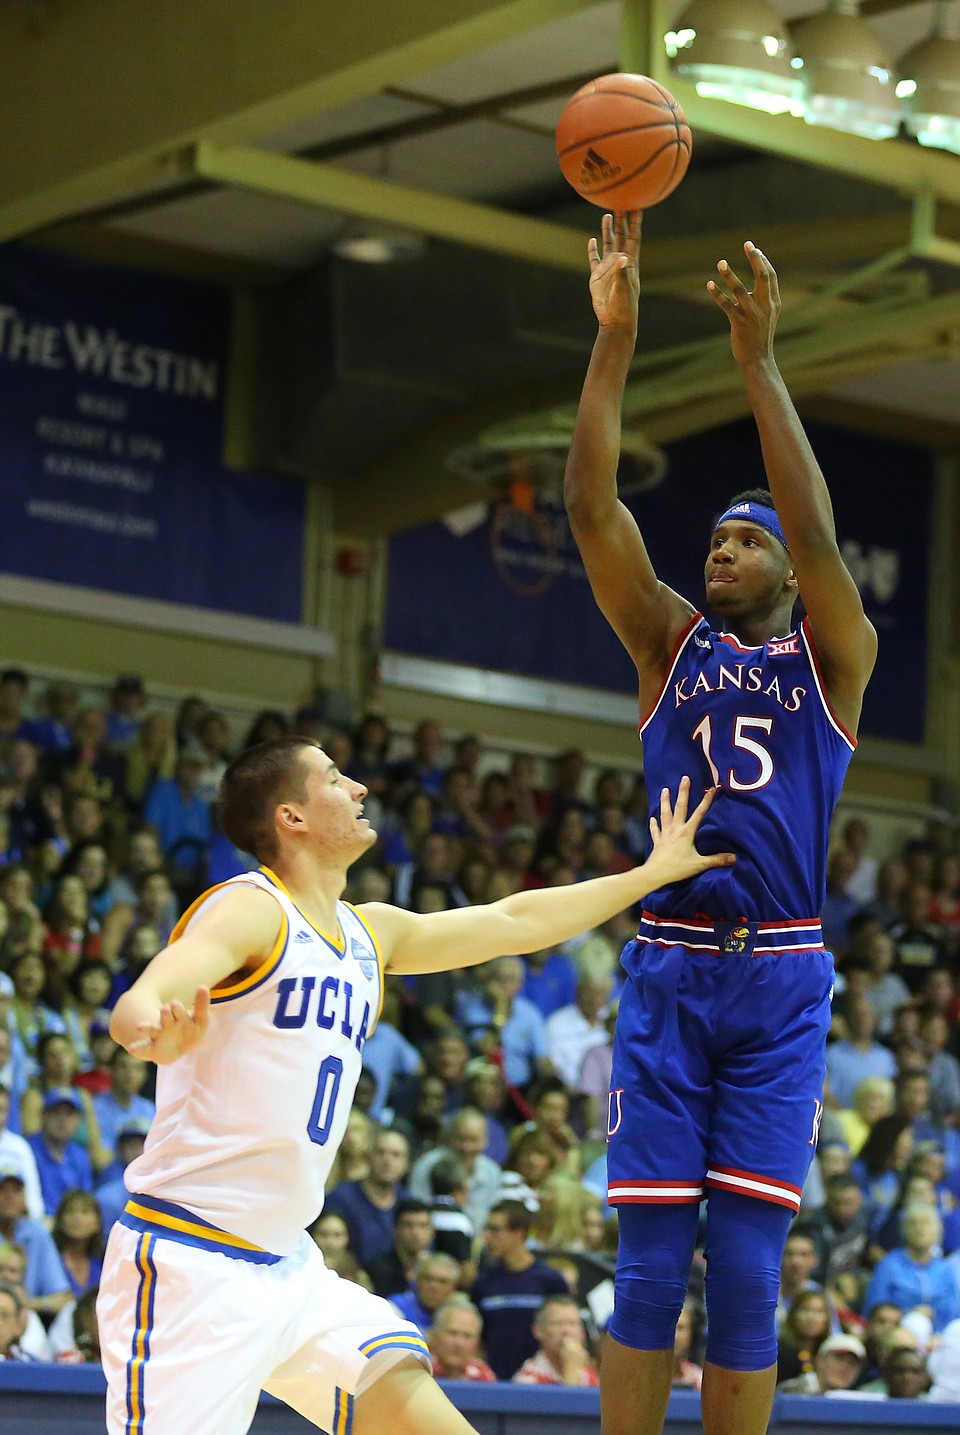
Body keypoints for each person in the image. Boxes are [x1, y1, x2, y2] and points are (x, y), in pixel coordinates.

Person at [99, 736, 729, 1435]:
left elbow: (512, 922)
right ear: (291, 816)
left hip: (291, 1268)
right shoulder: (254, 908)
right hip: (192, 1262)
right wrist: (151, 1031)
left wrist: (648, 875)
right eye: (335, 778)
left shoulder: (370, 932)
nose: (359, 788)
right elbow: (145, 994)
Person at [563, 211, 877, 1435]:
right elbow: (592, 509)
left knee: (746, 1278)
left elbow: (816, 529)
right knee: (646, 1275)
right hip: (673, 967)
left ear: (789, 572)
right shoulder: (668, 642)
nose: (726, 553)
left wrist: (758, 363)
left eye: (748, 542)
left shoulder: (833, 660)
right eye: (717, 541)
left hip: (783, 976)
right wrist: (615, 341)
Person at [512, 1292, 600, 1386]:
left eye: (572, 1323)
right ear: (538, 1331)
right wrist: (572, 1372)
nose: (566, 1331)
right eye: (558, 1323)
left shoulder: (590, 1374)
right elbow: (569, 1401)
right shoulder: (527, 1379)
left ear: (582, 1332)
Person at [428, 1295, 496, 1382]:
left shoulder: (482, 1374)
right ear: (434, 1336)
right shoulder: (418, 1369)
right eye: (452, 1333)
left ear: (477, 1343)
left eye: (467, 1336)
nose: (459, 1343)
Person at [777, 1331, 866, 1394]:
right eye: (839, 1358)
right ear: (819, 1360)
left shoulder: (858, 1401)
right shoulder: (790, 1391)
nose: (845, 1367)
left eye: (853, 1363)